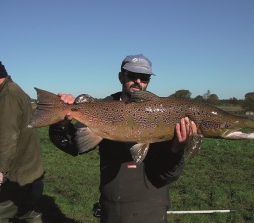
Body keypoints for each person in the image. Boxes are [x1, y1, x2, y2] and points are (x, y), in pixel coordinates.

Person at [49, 54, 197, 223]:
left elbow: (167, 175)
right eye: (132, 75)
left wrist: (176, 149)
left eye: (144, 77)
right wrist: (61, 121)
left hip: (152, 210)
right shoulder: (100, 109)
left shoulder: (164, 114)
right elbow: (73, 145)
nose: (138, 81)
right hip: (112, 210)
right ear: (121, 77)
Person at [0, 61, 44, 223]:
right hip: (31, 173)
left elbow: (6, 137)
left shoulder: (8, 96)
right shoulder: (13, 90)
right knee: (29, 213)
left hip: (17, 176)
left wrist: (0, 170)